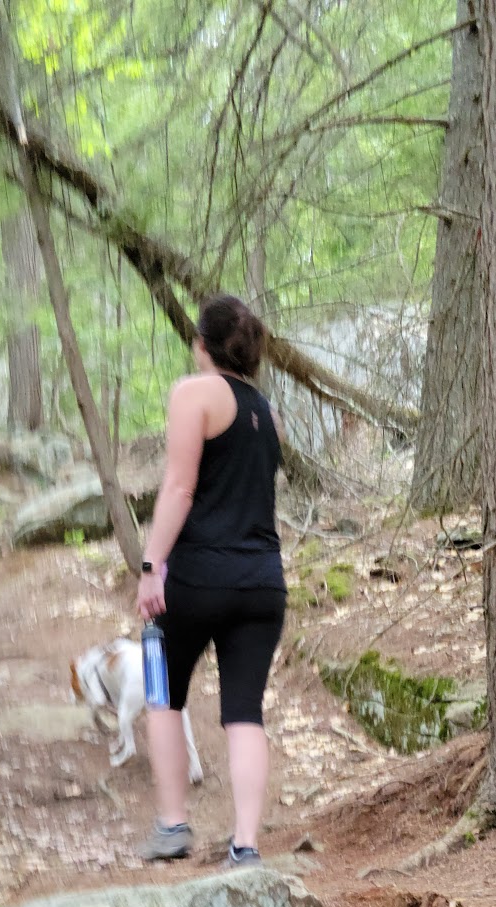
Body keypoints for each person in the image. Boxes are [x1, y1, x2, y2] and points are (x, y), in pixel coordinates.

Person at [135, 295, 285, 865]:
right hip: (263, 583)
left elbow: (179, 487)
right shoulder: (267, 412)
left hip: (197, 578)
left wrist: (151, 566)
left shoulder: (193, 393)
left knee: (163, 695)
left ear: (201, 344)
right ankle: (245, 845)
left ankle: (173, 826)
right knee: (245, 712)